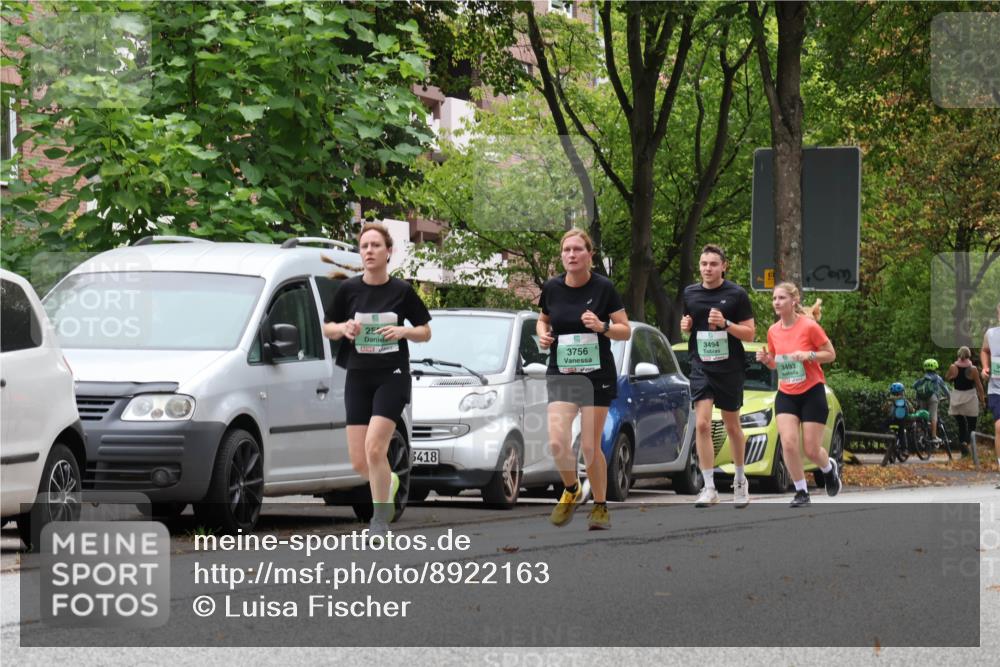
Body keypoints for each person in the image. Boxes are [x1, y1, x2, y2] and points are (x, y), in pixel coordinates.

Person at [323, 222, 432, 540]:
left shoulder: (401, 291)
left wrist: (403, 331)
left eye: (375, 245)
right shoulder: (349, 290)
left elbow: (425, 330)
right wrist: (343, 328)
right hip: (357, 375)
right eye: (364, 246)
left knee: (375, 448)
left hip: (392, 376)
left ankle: (380, 519)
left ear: (388, 251)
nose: (369, 251)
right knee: (360, 460)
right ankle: (390, 482)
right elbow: (326, 327)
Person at [537, 229, 630, 530]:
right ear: (562, 255)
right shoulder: (552, 288)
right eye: (567, 250)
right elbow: (543, 319)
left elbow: (624, 329)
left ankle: (600, 506)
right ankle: (572, 489)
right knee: (556, 441)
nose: (572, 255)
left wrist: (602, 326)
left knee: (590, 447)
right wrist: (542, 335)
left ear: (590, 255)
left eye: (578, 249)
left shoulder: (604, 288)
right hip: (562, 372)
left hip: (595, 376)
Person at [680, 244, 755, 508]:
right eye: (703, 264)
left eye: (713, 264)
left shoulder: (736, 294)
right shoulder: (690, 293)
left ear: (723, 266)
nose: (707, 269)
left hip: (730, 367)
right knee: (701, 424)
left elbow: (749, 333)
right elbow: (688, 326)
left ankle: (739, 479)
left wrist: (726, 323)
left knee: (731, 425)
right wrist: (685, 326)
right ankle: (709, 487)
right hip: (701, 365)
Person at [944, 347, 985, 457]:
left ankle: (963, 448)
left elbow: (947, 378)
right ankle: (966, 443)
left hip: (957, 397)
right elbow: (979, 386)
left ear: (958, 354)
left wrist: (952, 377)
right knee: (972, 424)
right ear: (969, 355)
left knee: (961, 424)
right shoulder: (973, 369)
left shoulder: (953, 367)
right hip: (970, 398)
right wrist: (982, 400)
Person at [980, 302, 1000, 486]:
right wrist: (985, 368)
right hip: (996, 389)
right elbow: (985, 351)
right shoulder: (991, 334)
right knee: (999, 426)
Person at [913, 359, 949, 443]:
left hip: (922, 398)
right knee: (933, 416)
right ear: (935, 367)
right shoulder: (937, 378)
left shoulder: (923, 379)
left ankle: (920, 434)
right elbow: (946, 390)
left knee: (923, 415)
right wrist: (950, 399)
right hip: (933, 398)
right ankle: (933, 436)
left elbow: (914, 386)